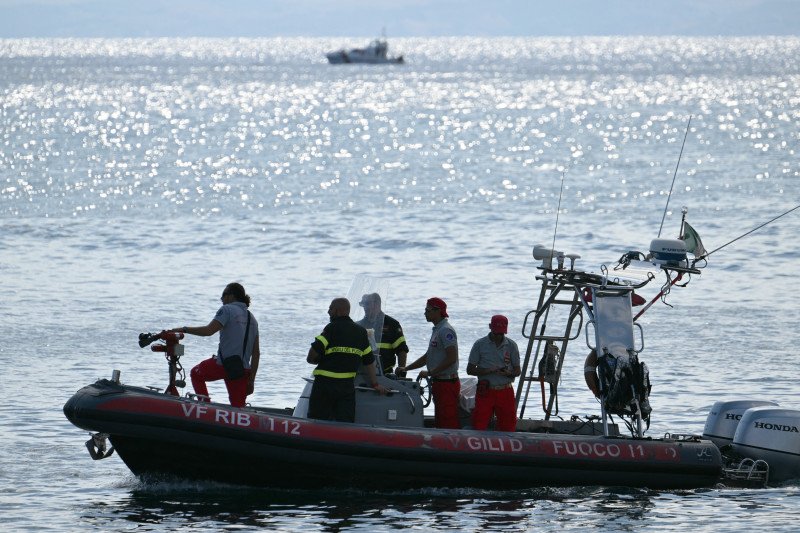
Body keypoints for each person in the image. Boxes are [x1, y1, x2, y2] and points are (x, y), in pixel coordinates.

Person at [172, 282, 260, 408]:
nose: (222, 300)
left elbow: (208, 331)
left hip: (223, 365)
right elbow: (256, 353)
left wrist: (184, 329)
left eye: (223, 296)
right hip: (242, 371)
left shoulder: (227, 309)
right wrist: (251, 380)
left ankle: (205, 407)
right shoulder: (253, 319)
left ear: (231, 296)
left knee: (196, 374)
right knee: (239, 409)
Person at [307, 297, 386, 422]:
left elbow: (312, 355)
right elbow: (369, 361)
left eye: (331, 308)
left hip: (324, 386)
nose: (328, 311)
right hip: (346, 387)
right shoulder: (361, 332)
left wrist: (314, 360)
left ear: (338, 311)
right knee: (345, 422)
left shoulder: (331, 328)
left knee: (316, 421)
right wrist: (375, 384)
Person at [397, 297, 460, 429]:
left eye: (427, 310)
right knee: (441, 419)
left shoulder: (445, 331)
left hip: (447, 384)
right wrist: (406, 368)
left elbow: (451, 358)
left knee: (447, 420)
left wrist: (430, 372)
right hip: (439, 383)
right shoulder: (437, 330)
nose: (425, 313)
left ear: (438, 311)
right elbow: (427, 357)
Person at [466, 314, 521, 432]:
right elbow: (469, 370)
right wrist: (487, 371)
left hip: (505, 391)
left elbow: (517, 371)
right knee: (479, 424)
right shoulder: (479, 344)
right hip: (485, 391)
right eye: (496, 333)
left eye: (501, 333)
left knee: (508, 425)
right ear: (490, 327)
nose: (498, 336)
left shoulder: (511, 345)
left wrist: (508, 373)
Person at [356, 293, 409, 376]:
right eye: (362, 304)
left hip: (385, 374)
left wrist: (401, 372)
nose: (364, 307)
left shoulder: (392, 324)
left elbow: (401, 350)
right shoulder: (358, 325)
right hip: (361, 372)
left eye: (367, 304)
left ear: (377, 304)